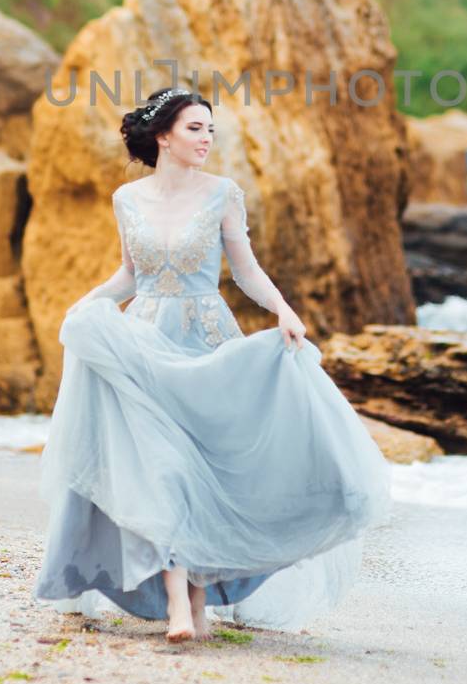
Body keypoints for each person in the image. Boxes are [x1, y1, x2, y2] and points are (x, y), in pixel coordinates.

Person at [33, 84, 392, 642]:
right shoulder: (127, 200)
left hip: (206, 339)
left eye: (209, 130)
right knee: (165, 471)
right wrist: (89, 305)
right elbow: (130, 275)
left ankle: (196, 604)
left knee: (201, 468)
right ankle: (179, 604)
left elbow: (246, 271)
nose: (205, 139)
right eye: (195, 129)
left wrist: (283, 311)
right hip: (146, 340)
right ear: (163, 137)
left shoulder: (223, 193)